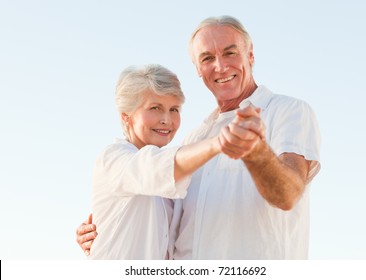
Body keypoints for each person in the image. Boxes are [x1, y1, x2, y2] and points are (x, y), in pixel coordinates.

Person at [77, 15, 321, 259]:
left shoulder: (289, 112)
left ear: (250, 55)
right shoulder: (194, 140)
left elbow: (288, 195)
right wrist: (102, 231)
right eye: (207, 58)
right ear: (198, 69)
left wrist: (256, 152)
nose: (220, 66)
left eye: (230, 53)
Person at [83, 64, 261, 259]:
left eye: (174, 109)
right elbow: (153, 168)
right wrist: (219, 142)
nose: (166, 120)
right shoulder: (113, 158)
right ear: (126, 116)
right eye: (155, 108)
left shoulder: (170, 183)